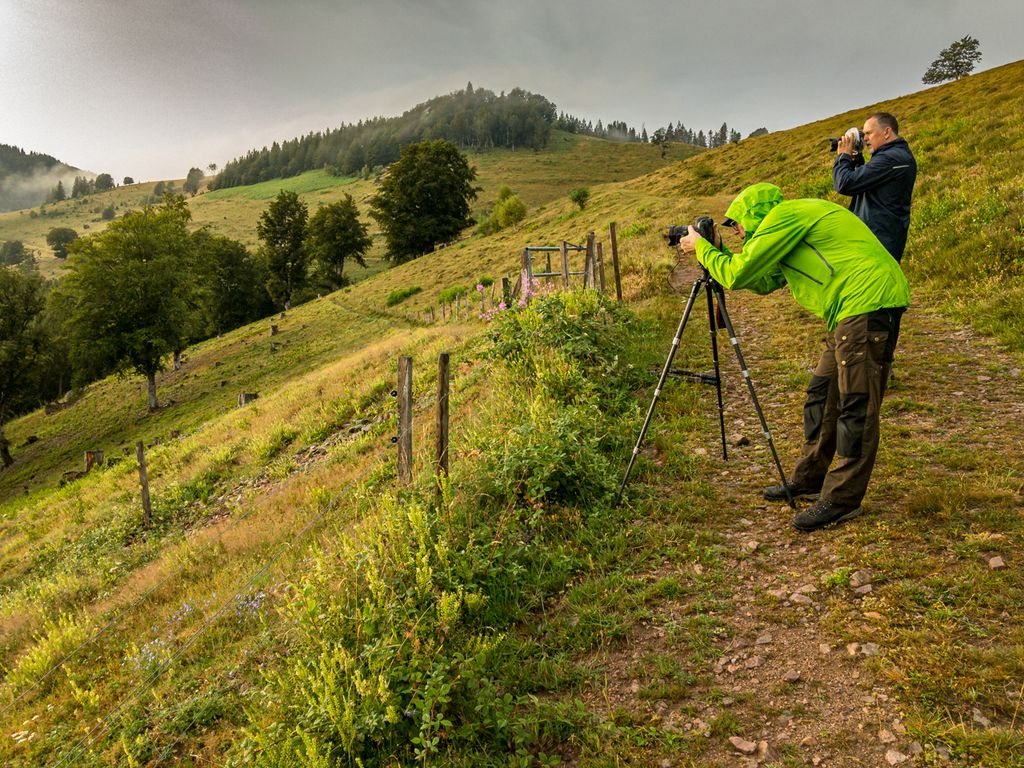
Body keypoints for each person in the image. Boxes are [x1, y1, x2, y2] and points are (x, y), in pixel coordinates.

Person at [676, 183, 909, 532]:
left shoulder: (783, 215)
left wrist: (703, 249)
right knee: (821, 394)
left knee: (855, 406)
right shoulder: (791, 224)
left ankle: (842, 500)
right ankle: (810, 478)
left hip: (866, 303)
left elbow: (737, 274)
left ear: (754, 214)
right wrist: (717, 252)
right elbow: (764, 279)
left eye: (737, 225)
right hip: (848, 310)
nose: (738, 233)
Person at [833, 112, 916, 262]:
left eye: (869, 133)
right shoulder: (895, 156)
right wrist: (856, 160)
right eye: (863, 134)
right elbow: (866, 183)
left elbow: (844, 183)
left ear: (886, 132)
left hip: (878, 244)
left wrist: (843, 157)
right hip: (879, 240)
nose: (865, 139)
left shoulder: (890, 158)